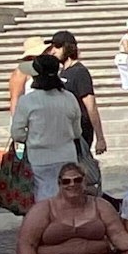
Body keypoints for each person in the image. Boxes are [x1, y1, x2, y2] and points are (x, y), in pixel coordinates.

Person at [10, 53, 85, 201]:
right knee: (68, 195)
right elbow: (77, 132)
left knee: (44, 195)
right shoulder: (69, 98)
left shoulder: (27, 101)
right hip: (67, 155)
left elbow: (17, 133)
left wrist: (32, 137)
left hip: (40, 157)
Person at [47, 30, 109, 178]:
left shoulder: (80, 72)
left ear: (68, 48)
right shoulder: (61, 73)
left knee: (78, 170)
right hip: (65, 131)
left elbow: (91, 105)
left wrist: (100, 137)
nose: (53, 50)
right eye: (52, 46)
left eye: (57, 46)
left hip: (81, 130)